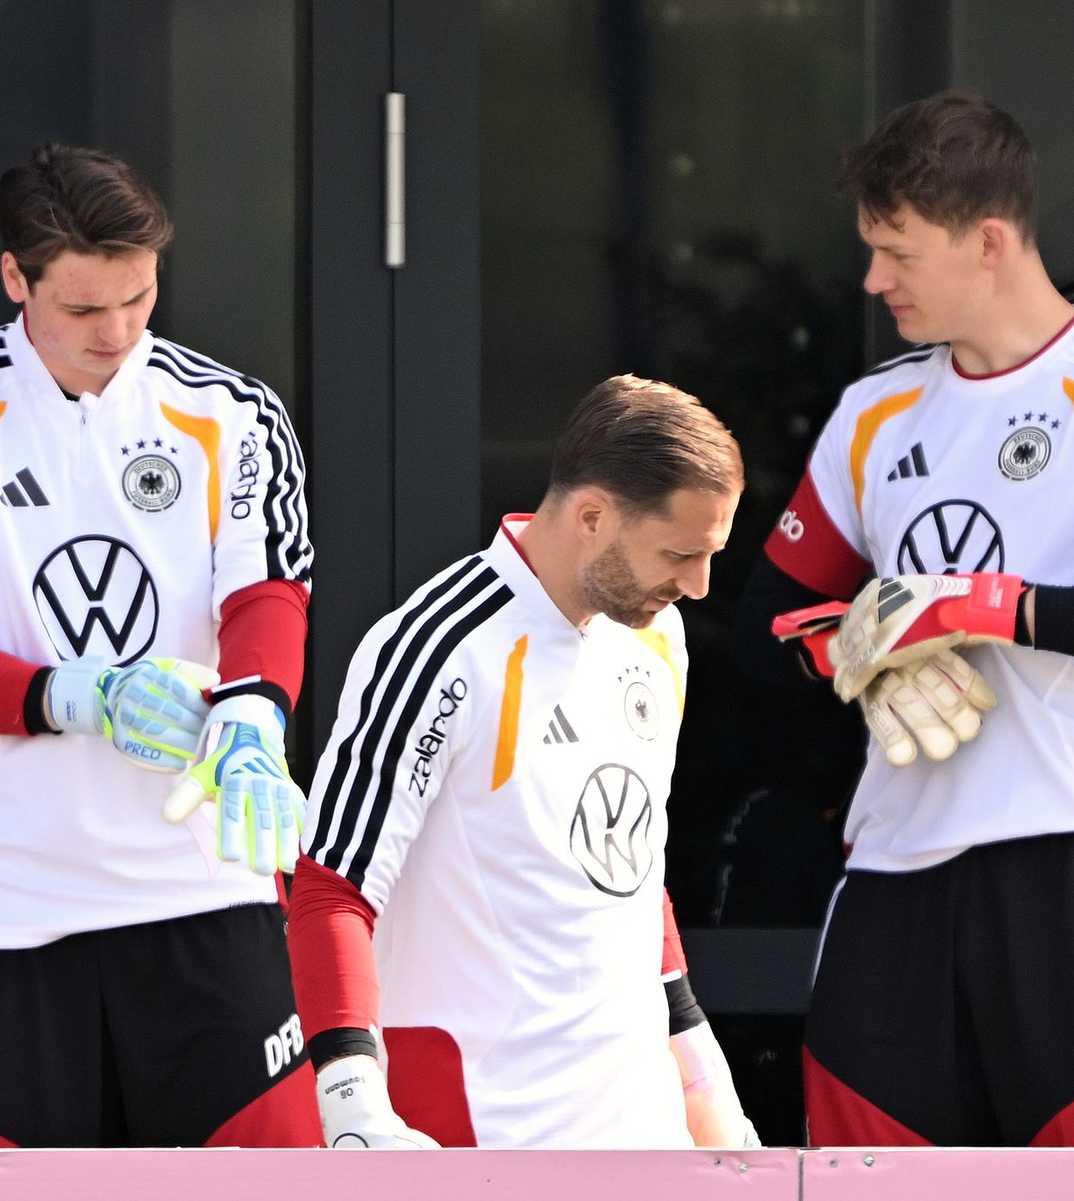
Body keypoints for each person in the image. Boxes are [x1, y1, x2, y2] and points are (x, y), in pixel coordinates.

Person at [737, 89, 1074, 1147]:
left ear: (989, 241)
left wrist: (992, 608)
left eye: (896, 251)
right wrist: (858, 652)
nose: (872, 280)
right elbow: (767, 615)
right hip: (895, 873)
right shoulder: (874, 411)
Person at [288, 374, 759, 1149]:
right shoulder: (439, 646)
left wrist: (699, 1068)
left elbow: (632, 868)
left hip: (642, 1133)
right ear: (592, 516)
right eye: (679, 553)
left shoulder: (656, 634)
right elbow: (332, 888)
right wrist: (353, 1104)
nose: (699, 586)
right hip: (488, 1137)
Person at [0, 143, 320, 1147]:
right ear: (14, 277)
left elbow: (267, 590)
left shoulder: (228, 409)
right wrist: (61, 695)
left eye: (138, 299)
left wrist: (255, 713)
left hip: (202, 884)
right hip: (17, 902)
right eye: (86, 310)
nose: (120, 331)